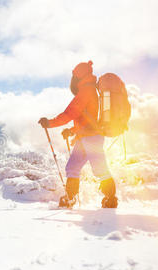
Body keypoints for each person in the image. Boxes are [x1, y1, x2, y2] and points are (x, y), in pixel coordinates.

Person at [38, 61, 118, 208]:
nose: (72, 80)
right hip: (85, 136)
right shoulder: (89, 90)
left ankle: (111, 199)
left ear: (79, 76)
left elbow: (70, 113)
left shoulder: (86, 91)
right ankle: (71, 197)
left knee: (99, 169)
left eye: (74, 76)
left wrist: (50, 123)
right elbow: (86, 118)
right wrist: (72, 130)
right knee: (72, 167)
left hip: (92, 137)